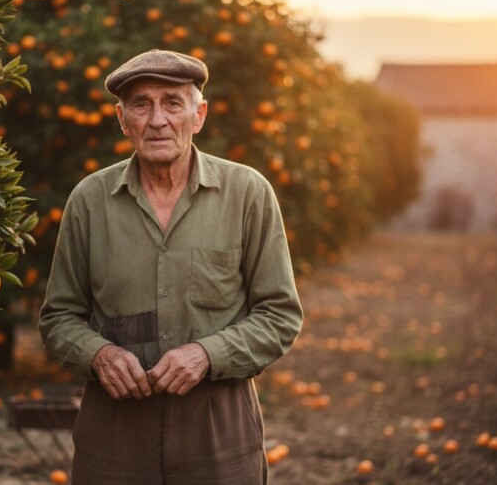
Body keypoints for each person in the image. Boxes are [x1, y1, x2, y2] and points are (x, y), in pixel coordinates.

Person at [39, 49, 303, 485]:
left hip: (219, 431)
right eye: (141, 104)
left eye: (173, 103)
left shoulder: (247, 194)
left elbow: (280, 315)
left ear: (199, 116)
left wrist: (208, 354)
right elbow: (58, 318)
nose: (157, 120)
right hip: (114, 435)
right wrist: (99, 355)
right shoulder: (89, 200)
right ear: (123, 120)